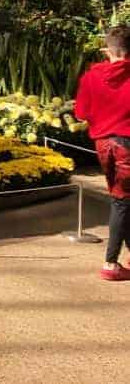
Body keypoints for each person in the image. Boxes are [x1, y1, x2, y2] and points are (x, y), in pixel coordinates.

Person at [74, 25, 130, 281]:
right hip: (126, 144)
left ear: (107, 48)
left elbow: (81, 112)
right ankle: (110, 263)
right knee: (122, 202)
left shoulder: (91, 76)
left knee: (123, 200)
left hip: (103, 145)